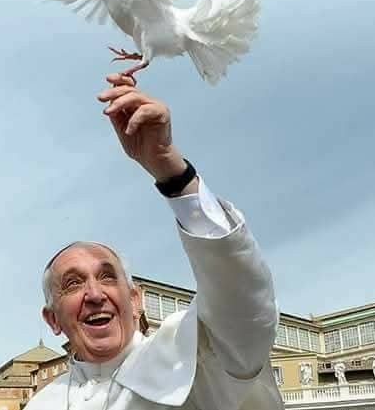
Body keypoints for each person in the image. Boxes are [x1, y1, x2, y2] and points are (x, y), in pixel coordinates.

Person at [26, 74, 283, 410]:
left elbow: (242, 302)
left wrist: (170, 171)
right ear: (53, 320)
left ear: (135, 301)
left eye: (107, 277)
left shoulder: (193, 353)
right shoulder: (42, 403)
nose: (95, 295)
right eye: (73, 284)